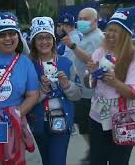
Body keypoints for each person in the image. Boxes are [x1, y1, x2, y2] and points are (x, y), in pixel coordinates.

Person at [0, 12, 39, 164]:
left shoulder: (25, 62)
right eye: (2, 35)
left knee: (15, 160)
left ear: (18, 36)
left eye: (12, 34)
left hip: (16, 123)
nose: (8, 38)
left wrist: (16, 114)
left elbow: (33, 94)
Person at [85, 8, 135, 165]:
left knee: (119, 161)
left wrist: (114, 82)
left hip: (124, 121)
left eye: (115, 31)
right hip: (98, 117)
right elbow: (89, 84)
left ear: (125, 34)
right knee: (96, 160)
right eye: (109, 30)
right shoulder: (100, 52)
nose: (110, 34)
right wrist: (91, 74)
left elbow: (134, 93)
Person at [27, 16, 82, 165]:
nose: (44, 42)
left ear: (53, 40)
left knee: (57, 161)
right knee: (47, 161)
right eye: (39, 38)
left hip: (61, 120)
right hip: (37, 121)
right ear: (33, 41)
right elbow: (23, 97)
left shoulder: (66, 62)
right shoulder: (27, 65)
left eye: (48, 37)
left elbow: (78, 95)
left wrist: (66, 84)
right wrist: (42, 90)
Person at [62, 7, 104, 162]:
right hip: (82, 89)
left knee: (89, 126)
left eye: (86, 18)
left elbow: (92, 60)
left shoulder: (97, 37)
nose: (82, 21)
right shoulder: (87, 36)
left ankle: (96, 152)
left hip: (91, 92)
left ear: (95, 21)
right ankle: (93, 150)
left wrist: (72, 46)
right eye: (80, 17)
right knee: (83, 125)